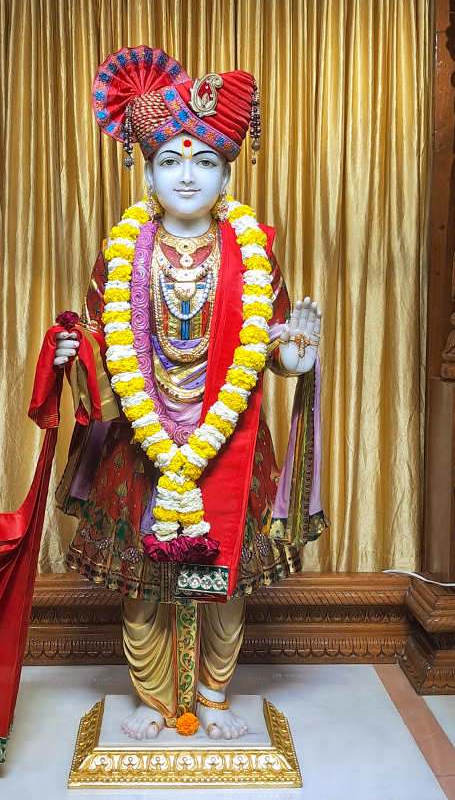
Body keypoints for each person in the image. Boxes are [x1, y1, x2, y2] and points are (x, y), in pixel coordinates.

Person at [52, 46, 328, 742]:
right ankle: (153, 697)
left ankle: (211, 697)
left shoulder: (251, 250)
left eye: (204, 161)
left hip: (226, 437)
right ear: (147, 171)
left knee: (221, 581)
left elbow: (271, 342)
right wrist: (72, 354)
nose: (185, 175)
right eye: (170, 160)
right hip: (142, 440)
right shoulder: (121, 252)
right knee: (146, 585)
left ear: (226, 172)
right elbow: (101, 337)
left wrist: (295, 356)